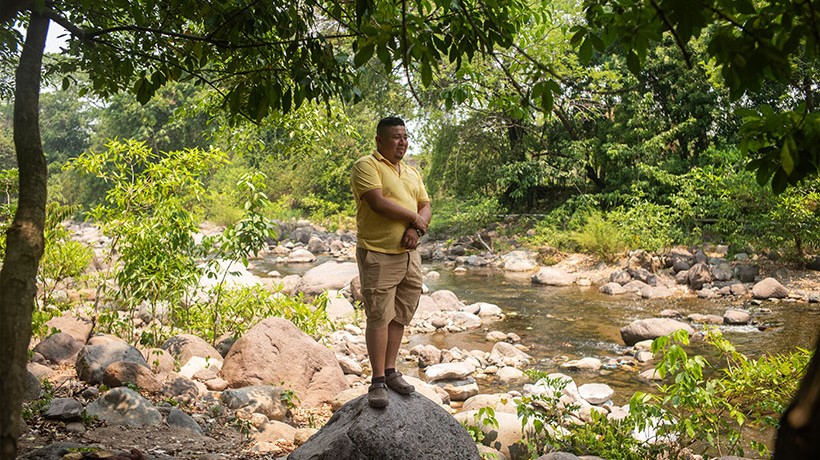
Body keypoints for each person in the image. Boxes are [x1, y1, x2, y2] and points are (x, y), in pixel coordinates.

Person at [350, 116, 432, 408]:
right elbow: (377, 202)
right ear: (379, 141)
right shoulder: (366, 166)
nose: (402, 142)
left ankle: (390, 370)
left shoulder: (411, 172)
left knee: (400, 314)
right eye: (396, 137)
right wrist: (415, 220)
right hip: (378, 252)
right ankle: (377, 381)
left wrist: (417, 228)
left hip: (409, 255)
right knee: (378, 316)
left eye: (405, 137)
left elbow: (425, 204)